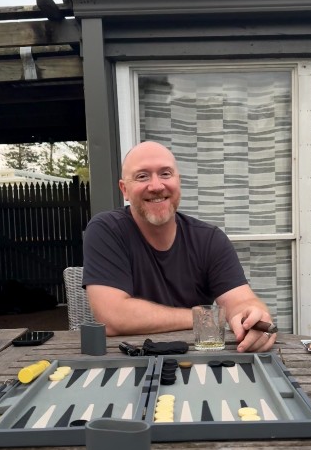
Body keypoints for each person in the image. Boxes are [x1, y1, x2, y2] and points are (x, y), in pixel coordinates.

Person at [82, 141, 277, 353]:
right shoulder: (107, 230)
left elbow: (242, 301)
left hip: (197, 359)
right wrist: (203, 317)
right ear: (124, 189)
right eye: (142, 176)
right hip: (125, 359)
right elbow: (112, 316)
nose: (156, 186)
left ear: (178, 181)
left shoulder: (209, 239)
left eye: (165, 174)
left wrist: (253, 315)